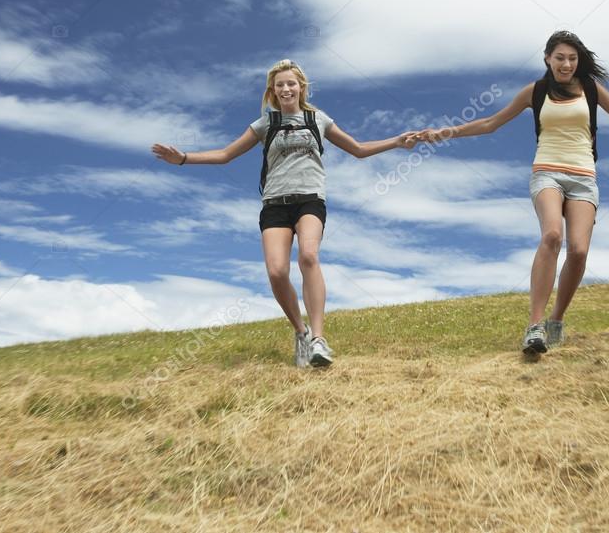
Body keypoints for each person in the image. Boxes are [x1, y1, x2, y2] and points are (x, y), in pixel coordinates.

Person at [414, 31, 609, 355]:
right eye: (560, 58)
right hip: (546, 173)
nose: (566, 64)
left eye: (572, 58)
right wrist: (443, 133)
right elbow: (491, 123)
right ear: (548, 58)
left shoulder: (591, 89)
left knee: (579, 251)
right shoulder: (536, 91)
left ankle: (556, 319)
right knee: (551, 237)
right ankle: (535, 325)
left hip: (584, 178)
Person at [152, 59, 414, 367]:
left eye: (291, 83)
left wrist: (397, 142)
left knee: (308, 256)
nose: (286, 88)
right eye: (280, 85)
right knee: (277, 272)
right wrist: (183, 158)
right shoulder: (265, 123)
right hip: (275, 203)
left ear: (301, 87)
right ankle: (301, 333)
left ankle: (319, 339)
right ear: (273, 92)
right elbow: (225, 155)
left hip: (310, 200)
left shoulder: (318, 119)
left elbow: (357, 149)